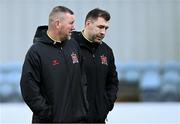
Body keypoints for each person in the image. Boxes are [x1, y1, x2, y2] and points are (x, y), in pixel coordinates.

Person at [20, 6, 88, 123]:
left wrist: (84, 107)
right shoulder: (36, 52)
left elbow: (83, 79)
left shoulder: (73, 45)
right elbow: (29, 90)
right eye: (71, 23)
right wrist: (48, 114)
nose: (74, 27)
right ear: (57, 24)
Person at [72, 8, 119, 123]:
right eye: (100, 27)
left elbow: (112, 82)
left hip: (98, 118)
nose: (103, 32)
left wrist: (106, 105)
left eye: (106, 28)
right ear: (88, 24)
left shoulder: (106, 51)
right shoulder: (70, 45)